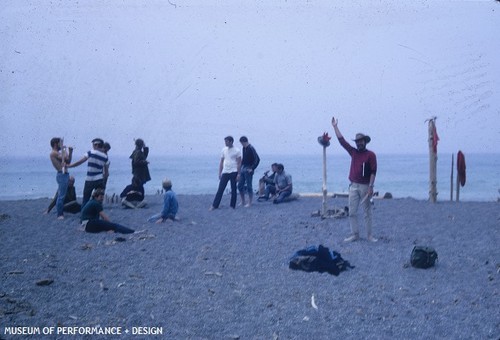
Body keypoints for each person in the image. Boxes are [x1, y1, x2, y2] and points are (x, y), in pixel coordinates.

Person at [331, 116, 378, 242]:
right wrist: (335, 127)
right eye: (357, 142)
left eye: (361, 141)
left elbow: (373, 171)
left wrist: (371, 187)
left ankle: (369, 235)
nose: (359, 143)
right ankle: (355, 234)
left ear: (365, 142)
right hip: (353, 185)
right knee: (352, 212)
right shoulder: (353, 152)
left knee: (367, 212)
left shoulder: (371, 155)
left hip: (365, 186)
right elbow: (342, 141)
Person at [67, 138, 109, 208]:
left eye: (93, 145)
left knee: (86, 198)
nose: (93, 146)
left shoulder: (91, 152)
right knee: (98, 198)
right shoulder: (105, 157)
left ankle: (84, 214)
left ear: (96, 145)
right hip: (99, 179)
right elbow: (106, 173)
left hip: (90, 179)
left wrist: (70, 166)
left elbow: (80, 162)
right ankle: (96, 213)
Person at [210, 136, 242, 210]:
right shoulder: (224, 150)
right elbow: (221, 161)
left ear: (231, 142)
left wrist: (239, 174)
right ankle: (215, 205)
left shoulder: (237, 150)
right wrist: (220, 172)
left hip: (234, 171)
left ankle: (232, 206)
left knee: (233, 189)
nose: (225, 143)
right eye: (225, 141)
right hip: (225, 171)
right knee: (220, 189)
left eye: (227, 141)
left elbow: (239, 162)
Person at [49, 137, 73, 219]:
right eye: (60, 143)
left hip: (64, 174)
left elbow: (68, 161)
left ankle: (61, 212)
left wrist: (70, 152)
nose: (61, 145)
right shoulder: (54, 153)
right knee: (61, 196)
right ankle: (60, 214)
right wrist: (64, 149)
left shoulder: (58, 153)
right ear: (56, 144)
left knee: (61, 194)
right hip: (61, 174)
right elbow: (65, 158)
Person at [237, 136, 260, 207]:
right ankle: (243, 201)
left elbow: (257, 159)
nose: (241, 144)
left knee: (249, 186)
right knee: (240, 185)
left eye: (241, 143)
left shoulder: (251, 148)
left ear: (244, 142)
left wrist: (252, 168)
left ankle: (250, 202)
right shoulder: (244, 148)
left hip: (248, 169)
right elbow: (244, 158)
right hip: (243, 168)